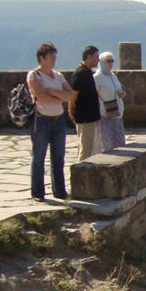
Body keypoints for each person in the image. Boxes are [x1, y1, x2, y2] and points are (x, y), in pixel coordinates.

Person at [26, 43, 73, 201]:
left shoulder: (58, 75)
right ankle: (38, 192)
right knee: (39, 156)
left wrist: (52, 91)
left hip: (58, 119)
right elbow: (41, 97)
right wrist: (59, 96)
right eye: (51, 57)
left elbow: (70, 95)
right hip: (42, 119)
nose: (54, 60)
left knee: (58, 156)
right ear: (42, 58)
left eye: (55, 57)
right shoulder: (34, 75)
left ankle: (59, 190)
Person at [69, 45, 102, 161]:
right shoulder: (80, 73)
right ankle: (81, 174)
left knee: (88, 148)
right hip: (85, 117)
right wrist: (71, 109)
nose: (98, 59)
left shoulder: (87, 72)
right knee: (85, 150)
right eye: (96, 56)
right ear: (89, 57)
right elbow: (73, 95)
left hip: (90, 117)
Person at [94, 51, 127, 151]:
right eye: (108, 61)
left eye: (112, 61)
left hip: (116, 112)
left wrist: (123, 93)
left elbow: (119, 90)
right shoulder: (97, 77)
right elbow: (94, 95)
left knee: (119, 140)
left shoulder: (113, 76)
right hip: (104, 113)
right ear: (103, 62)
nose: (111, 63)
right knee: (106, 141)